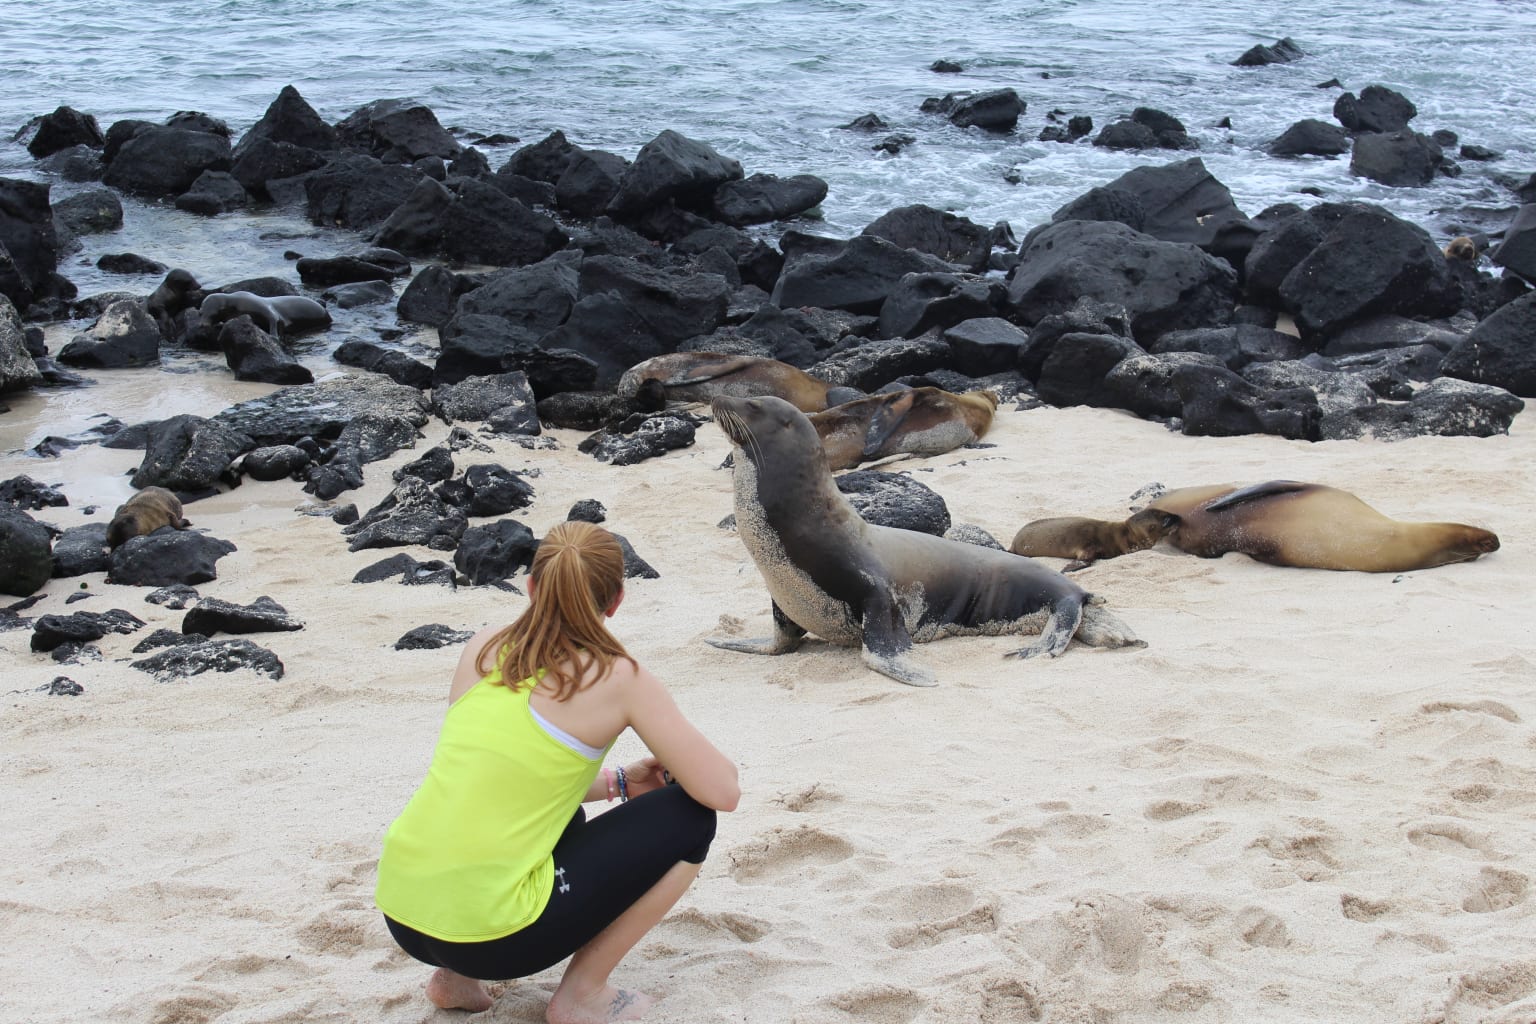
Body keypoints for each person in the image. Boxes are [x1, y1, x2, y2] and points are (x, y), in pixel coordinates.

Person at [375, 521, 740, 1023]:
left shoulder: (483, 647)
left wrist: (619, 783)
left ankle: (452, 980)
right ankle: (583, 994)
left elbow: (500, 778)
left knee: (543, 815)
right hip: (492, 940)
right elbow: (721, 790)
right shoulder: (618, 676)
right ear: (616, 601)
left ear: (530, 587)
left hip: (404, 913)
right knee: (692, 817)